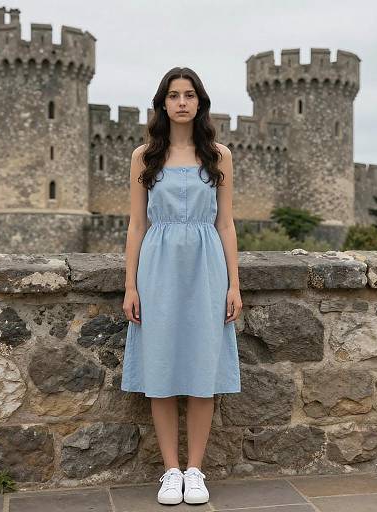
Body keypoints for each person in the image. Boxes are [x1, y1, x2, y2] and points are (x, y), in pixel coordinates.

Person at [121, 66, 242, 505]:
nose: (182, 102)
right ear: (163, 103)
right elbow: (137, 224)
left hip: (207, 267)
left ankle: (196, 469)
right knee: (162, 367)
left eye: (189, 94)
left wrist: (235, 284)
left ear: (200, 102)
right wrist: (130, 286)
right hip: (158, 267)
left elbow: (226, 223)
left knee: (202, 369)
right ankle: (170, 470)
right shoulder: (144, 157)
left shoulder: (219, 156)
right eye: (174, 95)